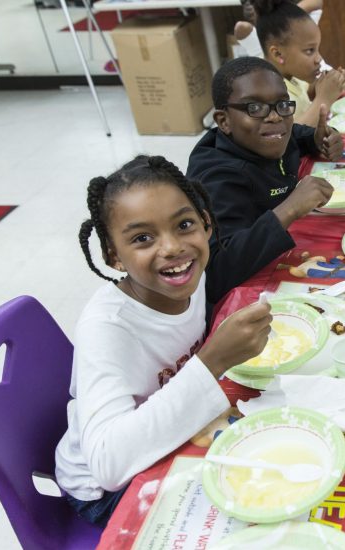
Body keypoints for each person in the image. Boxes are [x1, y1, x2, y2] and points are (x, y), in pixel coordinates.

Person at [54, 156, 273, 526]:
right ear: (114, 256)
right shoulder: (108, 328)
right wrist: (212, 361)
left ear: (205, 224)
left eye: (184, 225)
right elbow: (109, 464)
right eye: (142, 238)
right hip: (107, 490)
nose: (172, 248)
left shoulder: (187, 274)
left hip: (171, 433)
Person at [187, 56, 343, 307]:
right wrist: (289, 209)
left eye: (282, 104)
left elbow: (298, 136)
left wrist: (321, 140)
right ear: (223, 121)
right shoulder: (217, 178)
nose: (274, 117)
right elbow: (214, 273)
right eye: (254, 108)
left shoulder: (267, 135)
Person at [255, 0, 345, 128]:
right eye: (310, 51)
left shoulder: (290, 75)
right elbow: (290, 137)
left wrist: (332, 84)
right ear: (278, 54)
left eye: (317, 49)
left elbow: (306, 91)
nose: (319, 59)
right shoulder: (269, 94)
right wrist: (323, 99)